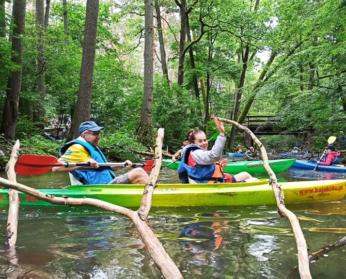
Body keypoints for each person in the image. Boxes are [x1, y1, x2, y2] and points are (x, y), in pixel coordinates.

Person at [52, 121, 149, 185]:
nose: (98, 137)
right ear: (84, 135)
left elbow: (105, 167)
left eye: (99, 134)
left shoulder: (91, 148)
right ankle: (152, 196)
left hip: (107, 185)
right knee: (139, 172)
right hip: (98, 188)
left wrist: (123, 165)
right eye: (94, 134)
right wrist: (85, 163)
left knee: (138, 180)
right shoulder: (77, 147)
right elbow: (56, 167)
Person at [177, 117, 255, 183]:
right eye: (200, 141)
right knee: (253, 180)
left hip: (211, 181)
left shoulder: (194, 152)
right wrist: (221, 133)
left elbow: (202, 169)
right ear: (193, 143)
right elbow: (214, 155)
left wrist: (219, 166)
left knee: (245, 174)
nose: (204, 143)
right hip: (210, 184)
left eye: (205, 140)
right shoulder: (196, 153)